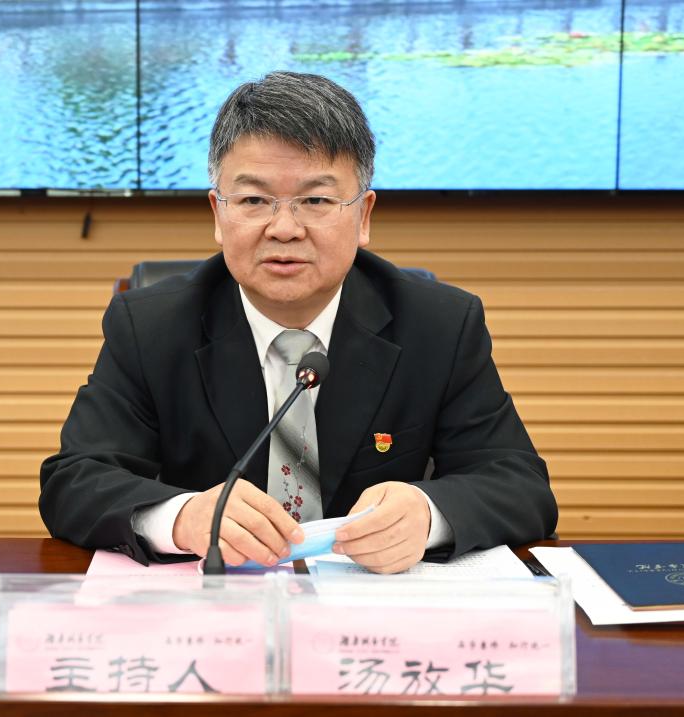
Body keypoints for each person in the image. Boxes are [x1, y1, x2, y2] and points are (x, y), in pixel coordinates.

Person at [39, 71, 557, 574]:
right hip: (215, 605)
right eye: (254, 200)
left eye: (315, 200)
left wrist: (428, 514)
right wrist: (182, 517)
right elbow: (74, 481)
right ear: (218, 214)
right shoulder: (150, 326)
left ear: (364, 215)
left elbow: (519, 485)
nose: (284, 228)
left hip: (373, 611)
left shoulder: (439, 326)